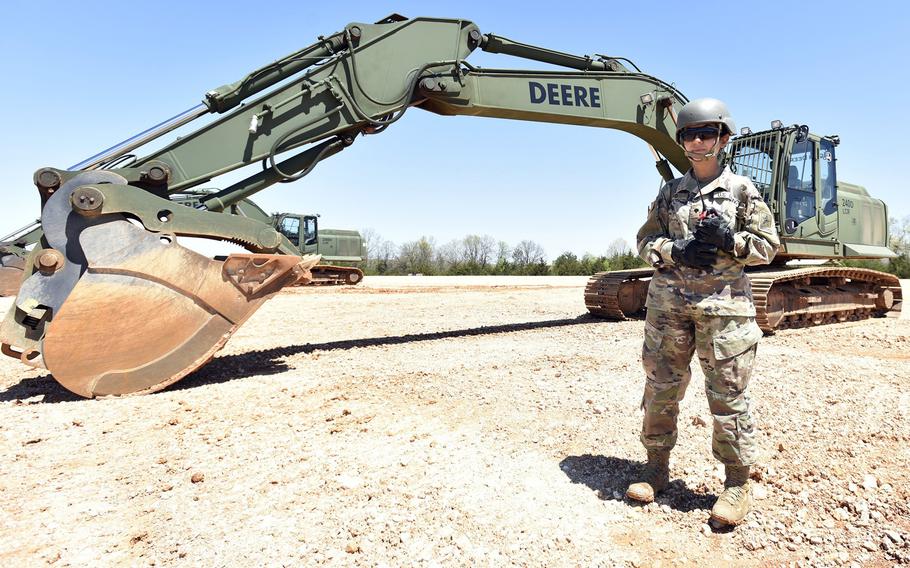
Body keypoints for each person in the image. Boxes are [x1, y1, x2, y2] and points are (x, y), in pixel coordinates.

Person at [626, 98, 780, 526]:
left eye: (705, 134)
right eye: (688, 135)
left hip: (724, 312)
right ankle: (656, 467)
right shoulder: (669, 192)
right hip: (668, 310)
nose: (696, 141)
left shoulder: (743, 191)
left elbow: (768, 246)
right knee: (660, 388)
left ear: (723, 139)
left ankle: (736, 484)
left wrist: (731, 240)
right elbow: (643, 242)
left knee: (728, 397)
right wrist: (675, 249)